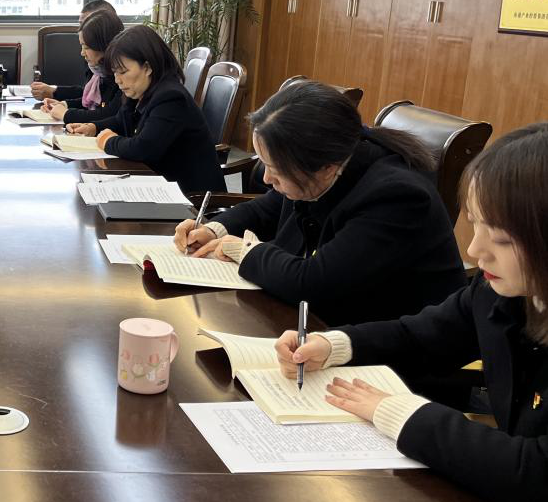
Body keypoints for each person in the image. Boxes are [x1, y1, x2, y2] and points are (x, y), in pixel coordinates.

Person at [275, 123, 548, 502]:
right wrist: (335, 345)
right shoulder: (499, 288)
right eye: (475, 223)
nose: (475, 250)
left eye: (502, 239)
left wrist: (400, 413)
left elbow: (537, 475)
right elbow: (424, 336)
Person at [175, 80, 465, 325]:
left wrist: (244, 251)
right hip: (324, 322)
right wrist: (214, 229)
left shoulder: (396, 197)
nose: (266, 178)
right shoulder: (324, 166)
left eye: (274, 168)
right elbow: (269, 207)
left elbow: (311, 283)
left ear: (326, 167)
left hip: (385, 349)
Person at [65, 26, 225, 194]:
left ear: (147, 67)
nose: (118, 80)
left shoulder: (171, 97)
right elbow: (120, 120)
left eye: (123, 72)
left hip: (191, 197)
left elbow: (142, 149)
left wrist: (108, 141)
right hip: (160, 185)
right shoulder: (141, 90)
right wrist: (93, 127)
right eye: (115, 73)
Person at [38, 9, 123, 125]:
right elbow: (88, 100)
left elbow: (108, 114)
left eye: (86, 47)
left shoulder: (120, 77)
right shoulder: (98, 70)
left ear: (104, 46)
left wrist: (66, 114)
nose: (82, 53)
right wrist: (64, 104)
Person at [30, 0, 117, 102]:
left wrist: (57, 96)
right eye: (81, 24)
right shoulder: (90, 53)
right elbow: (87, 94)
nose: (82, 29)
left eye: (89, 23)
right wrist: (55, 93)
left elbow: (103, 106)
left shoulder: (116, 66)